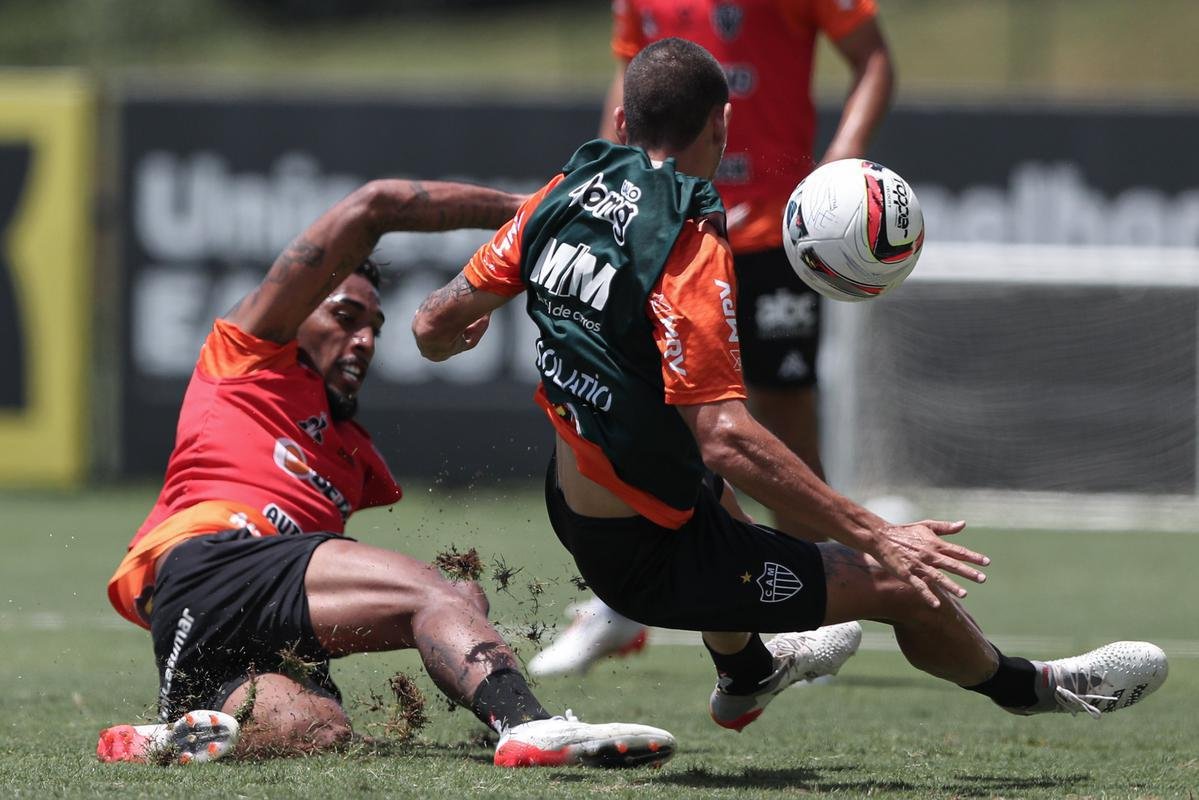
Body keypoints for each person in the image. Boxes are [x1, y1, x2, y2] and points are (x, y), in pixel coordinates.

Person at [412, 38, 1167, 734]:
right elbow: (727, 439)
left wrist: (456, 331)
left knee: (674, 431)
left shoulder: (558, 195)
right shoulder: (687, 248)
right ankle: (1031, 687)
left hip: (577, 505)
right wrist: (876, 534)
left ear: (620, 118)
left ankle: (744, 675)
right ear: (722, 123)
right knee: (900, 586)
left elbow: (432, 325)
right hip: (654, 559)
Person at [97, 178, 676, 768]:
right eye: (346, 317)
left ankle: (165, 741)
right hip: (210, 564)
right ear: (295, 316)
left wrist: (459, 607)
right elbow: (376, 204)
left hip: (205, 628)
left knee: (321, 729)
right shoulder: (246, 357)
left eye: (374, 325)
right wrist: (530, 214)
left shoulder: (351, 451)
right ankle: (528, 724)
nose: (365, 340)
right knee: (434, 593)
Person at [528, 0, 899, 676]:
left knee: (781, 419)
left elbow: (873, 59)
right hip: (659, 228)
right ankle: (619, 604)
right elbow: (627, 77)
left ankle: (810, 612)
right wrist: (613, 178)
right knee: (632, 409)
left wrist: (837, 169)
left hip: (768, 232)